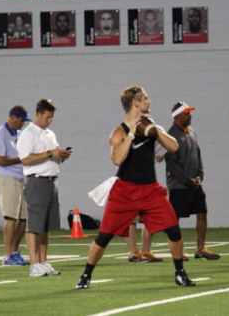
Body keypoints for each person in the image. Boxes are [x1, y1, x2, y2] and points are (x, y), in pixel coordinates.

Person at [76, 85, 195, 290]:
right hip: (125, 191)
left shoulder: (151, 125)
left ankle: (180, 274)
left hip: (150, 190)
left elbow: (174, 146)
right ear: (135, 103)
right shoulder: (118, 132)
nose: (150, 101)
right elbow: (117, 159)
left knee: (174, 231)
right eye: (145, 98)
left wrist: (156, 131)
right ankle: (86, 275)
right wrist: (131, 135)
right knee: (104, 236)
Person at [17, 99, 71, 277]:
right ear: (38, 114)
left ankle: (43, 261)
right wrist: (50, 153)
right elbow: (25, 159)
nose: (50, 120)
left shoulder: (50, 134)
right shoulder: (28, 134)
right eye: (48, 117)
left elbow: (51, 155)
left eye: (52, 117)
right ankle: (34, 264)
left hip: (51, 181)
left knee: (45, 226)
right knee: (34, 225)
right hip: (36, 181)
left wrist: (60, 155)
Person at [166, 102, 220, 260]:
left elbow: (198, 156)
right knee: (175, 219)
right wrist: (187, 180)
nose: (190, 115)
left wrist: (199, 176)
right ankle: (177, 251)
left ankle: (200, 248)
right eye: (186, 113)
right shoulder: (170, 136)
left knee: (202, 213)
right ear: (177, 116)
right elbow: (172, 165)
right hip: (178, 186)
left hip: (195, 184)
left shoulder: (192, 133)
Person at [0, 106, 33, 267]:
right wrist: (21, 159)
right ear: (13, 117)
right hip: (6, 176)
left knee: (22, 218)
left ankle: (15, 253)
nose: (23, 124)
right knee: (10, 217)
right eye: (21, 121)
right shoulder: (0, 134)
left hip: (21, 177)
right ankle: (7, 255)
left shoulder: (19, 135)